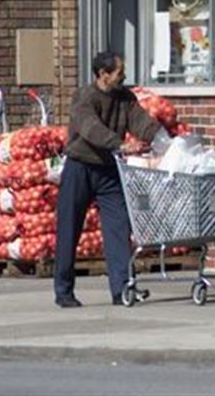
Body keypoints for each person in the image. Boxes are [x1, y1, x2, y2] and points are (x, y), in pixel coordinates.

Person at [54, 51, 165, 308]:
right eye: (119, 71)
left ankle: (122, 288)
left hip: (108, 170)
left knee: (118, 227)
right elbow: (90, 128)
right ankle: (64, 290)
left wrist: (163, 139)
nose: (123, 75)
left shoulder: (125, 98)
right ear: (103, 74)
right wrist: (120, 144)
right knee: (69, 228)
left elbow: (141, 121)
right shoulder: (85, 97)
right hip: (80, 167)